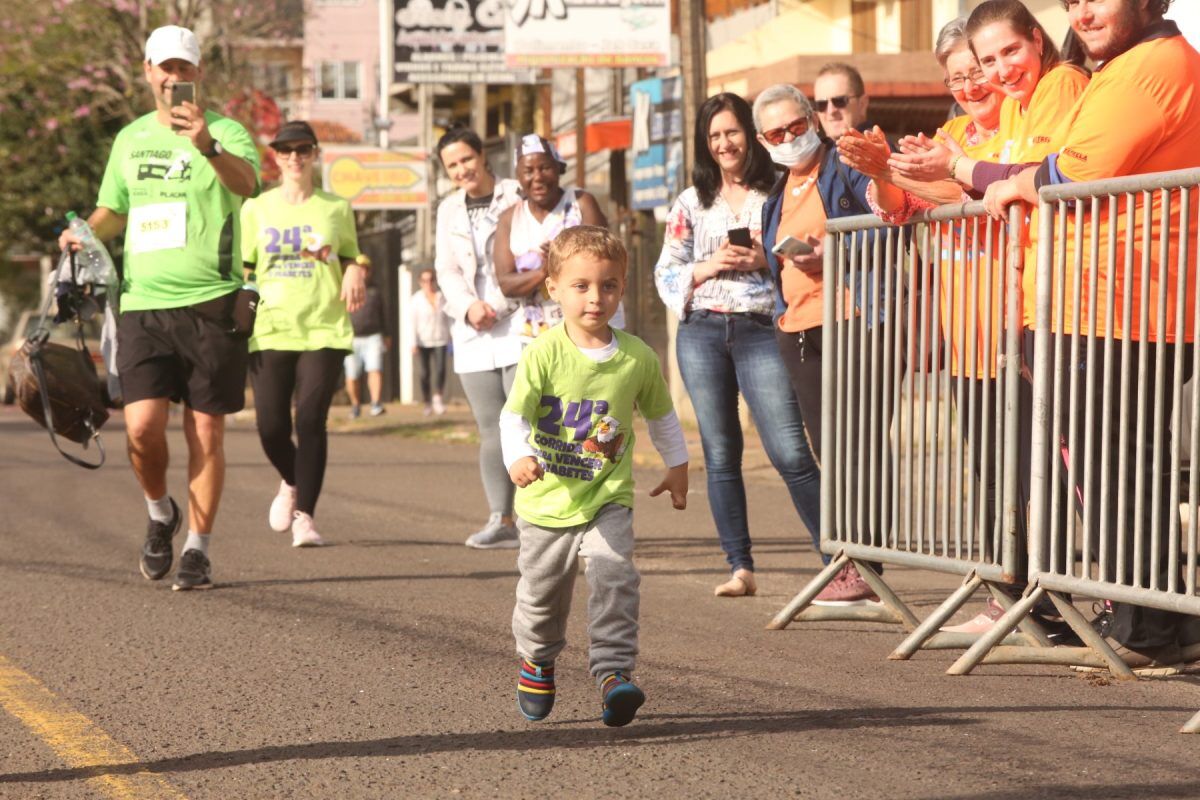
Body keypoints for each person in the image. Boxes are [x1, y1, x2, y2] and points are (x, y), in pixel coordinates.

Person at [983, 0, 1200, 670]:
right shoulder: (1128, 65)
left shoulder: (1152, 66)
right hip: (1111, 302)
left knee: (1119, 467)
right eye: (1072, 0)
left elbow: (1075, 170)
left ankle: (1146, 627)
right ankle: (1156, 623)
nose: (1082, 11)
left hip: (1122, 305)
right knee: (1123, 467)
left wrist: (1017, 180)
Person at [59, 25, 259, 590]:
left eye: (185, 69)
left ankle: (198, 546)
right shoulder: (129, 140)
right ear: (148, 72)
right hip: (142, 302)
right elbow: (112, 210)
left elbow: (248, 186)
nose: (175, 78)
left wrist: (207, 145)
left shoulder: (228, 132)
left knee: (206, 432)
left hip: (212, 302)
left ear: (199, 75)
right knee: (142, 429)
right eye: (165, 68)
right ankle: (159, 512)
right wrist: (81, 230)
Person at [500, 226, 688, 727]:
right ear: (553, 288)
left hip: (607, 496)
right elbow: (513, 418)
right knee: (541, 594)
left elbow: (662, 416)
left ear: (621, 289)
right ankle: (538, 659)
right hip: (545, 502)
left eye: (608, 285)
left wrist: (678, 467)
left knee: (613, 575)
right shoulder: (542, 353)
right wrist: (518, 457)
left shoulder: (636, 357)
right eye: (581, 286)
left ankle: (613, 673)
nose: (595, 297)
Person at [655, 92, 821, 598]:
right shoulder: (691, 201)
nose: (725, 143)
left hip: (760, 328)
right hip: (702, 330)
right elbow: (665, 270)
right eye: (715, 136)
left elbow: (802, 257)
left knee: (790, 451)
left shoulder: (776, 192)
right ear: (705, 146)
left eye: (732, 132)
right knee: (721, 453)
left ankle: (840, 560)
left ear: (750, 135)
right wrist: (708, 266)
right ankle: (739, 566)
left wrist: (762, 263)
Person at [753, 84, 901, 605]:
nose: (790, 137)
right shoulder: (776, 194)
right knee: (831, 450)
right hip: (797, 330)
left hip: (854, 319)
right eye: (777, 132)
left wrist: (833, 248)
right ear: (763, 140)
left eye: (797, 125)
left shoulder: (844, 166)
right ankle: (847, 561)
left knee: (860, 444)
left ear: (812, 121)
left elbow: (889, 221)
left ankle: (866, 563)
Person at [241, 120, 366, 548]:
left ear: (314, 154)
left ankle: (305, 518)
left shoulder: (336, 207)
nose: (294, 156)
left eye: (303, 149)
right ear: (274, 156)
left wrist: (356, 269)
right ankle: (291, 482)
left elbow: (351, 253)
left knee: (310, 419)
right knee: (271, 426)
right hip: (272, 327)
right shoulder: (256, 209)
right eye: (285, 149)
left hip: (324, 326)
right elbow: (245, 269)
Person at [433, 127, 525, 549]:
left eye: (466, 159)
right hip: (473, 328)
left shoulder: (517, 193)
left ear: (482, 155)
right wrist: (470, 307)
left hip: (521, 320)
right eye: (452, 165)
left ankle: (540, 520)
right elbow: (446, 269)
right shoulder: (448, 208)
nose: (461, 170)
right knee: (491, 427)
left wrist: (501, 304)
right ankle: (501, 518)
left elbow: (532, 253)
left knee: (528, 423)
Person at [494, 134, 619, 338]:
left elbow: (604, 261)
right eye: (528, 171)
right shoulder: (509, 218)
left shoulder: (581, 203)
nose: (538, 177)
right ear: (518, 176)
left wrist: (561, 257)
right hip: (535, 336)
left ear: (558, 168)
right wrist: (544, 271)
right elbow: (507, 285)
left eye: (545, 168)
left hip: (592, 332)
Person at [344, 257, 388, 419]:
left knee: (375, 369)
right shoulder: (344, 288)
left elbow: (383, 314)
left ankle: (375, 403)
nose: (362, 271)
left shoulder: (375, 291)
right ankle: (355, 405)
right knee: (352, 374)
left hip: (373, 336)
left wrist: (386, 334)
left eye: (365, 268)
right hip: (351, 338)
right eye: (358, 267)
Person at [411, 267, 450, 415]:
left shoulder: (441, 297)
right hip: (423, 341)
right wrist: (413, 342)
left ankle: (438, 398)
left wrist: (451, 337)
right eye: (425, 280)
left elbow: (448, 318)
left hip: (440, 338)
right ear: (420, 282)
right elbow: (412, 322)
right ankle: (426, 401)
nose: (428, 283)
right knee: (424, 372)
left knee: (440, 369)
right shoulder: (416, 300)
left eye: (431, 280)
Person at [812, 62, 872, 142]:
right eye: (822, 104)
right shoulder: (819, 151)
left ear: (862, 104)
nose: (831, 111)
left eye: (839, 101)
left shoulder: (875, 150)